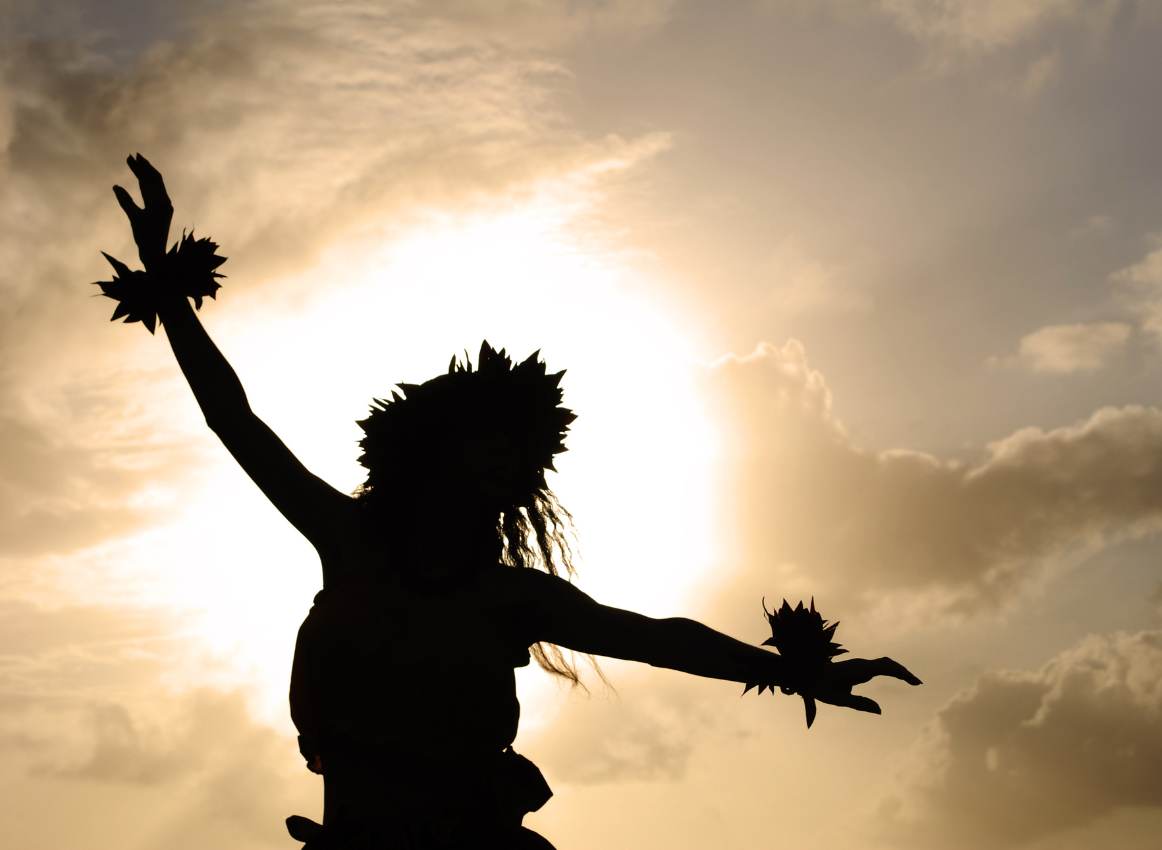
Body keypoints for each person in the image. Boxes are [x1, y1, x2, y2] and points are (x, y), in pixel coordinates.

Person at [100, 154, 922, 849]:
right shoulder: (348, 540)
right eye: (485, 439)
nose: (504, 458)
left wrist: (785, 670)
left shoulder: (511, 597)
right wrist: (166, 285)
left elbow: (655, 639)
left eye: (518, 450)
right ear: (430, 446)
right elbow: (233, 419)